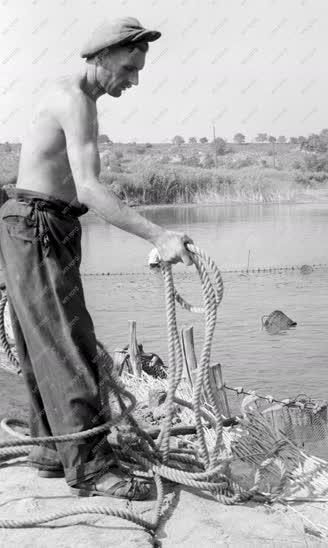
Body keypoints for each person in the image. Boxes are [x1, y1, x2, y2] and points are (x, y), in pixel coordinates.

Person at [0, 17, 194, 501]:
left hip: (41, 226)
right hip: (38, 226)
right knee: (70, 345)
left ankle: (53, 453)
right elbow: (89, 188)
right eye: (129, 68)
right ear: (102, 56)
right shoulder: (75, 101)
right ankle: (90, 467)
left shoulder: (77, 98)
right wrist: (158, 234)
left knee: (45, 344)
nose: (133, 80)